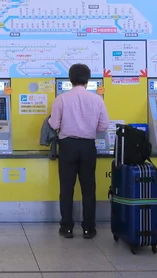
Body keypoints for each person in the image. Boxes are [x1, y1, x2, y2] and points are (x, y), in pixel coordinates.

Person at [48, 63, 110, 239]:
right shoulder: (97, 99)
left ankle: (66, 227)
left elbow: (54, 124)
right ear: (88, 80)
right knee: (88, 188)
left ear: (70, 79)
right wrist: (90, 128)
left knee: (66, 188)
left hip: (67, 145)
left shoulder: (61, 99)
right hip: (88, 146)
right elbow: (104, 125)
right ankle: (89, 228)